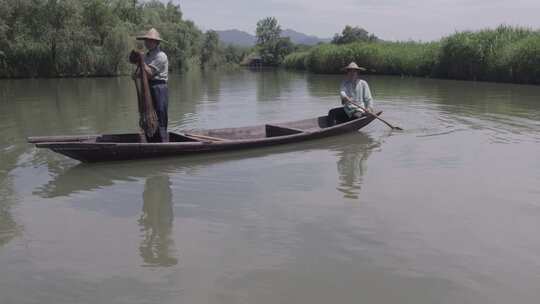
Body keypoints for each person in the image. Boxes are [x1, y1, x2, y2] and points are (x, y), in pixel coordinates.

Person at [134, 28, 169, 142]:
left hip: (159, 87)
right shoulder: (147, 56)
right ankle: (151, 139)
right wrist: (137, 69)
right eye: (146, 40)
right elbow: (139, 74)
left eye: (150, 40)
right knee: (148, 116)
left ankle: (162, 141)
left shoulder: (161, 56)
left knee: (159, 114)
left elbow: (149, 73)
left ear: (156, 42)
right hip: (148, 87)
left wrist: (141, 61)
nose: (147, 42)